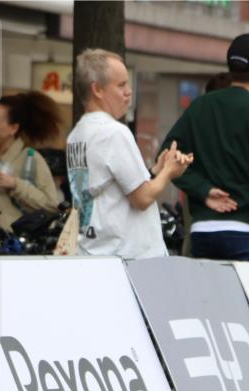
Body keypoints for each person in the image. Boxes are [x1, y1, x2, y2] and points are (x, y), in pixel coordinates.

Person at [162, 33, 249, 264]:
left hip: (205, 230)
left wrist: (202, 190)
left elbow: (166, 157)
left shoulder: (201, 106)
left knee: (208, 300)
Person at [67, 49, 192, 259]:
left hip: (94, 251)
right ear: (97, 90)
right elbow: (142, 199)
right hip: (129, 258)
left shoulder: (77, 134)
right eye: (121, 85)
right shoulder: (114, 132)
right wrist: (169, 172)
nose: (129, 92)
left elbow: (112, 186)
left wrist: (155, 171)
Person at [0, 92, 63, 232]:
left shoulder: (31, 158)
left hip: (8, 247)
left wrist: (16, 185)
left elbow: (51, 206)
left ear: (13, 128)